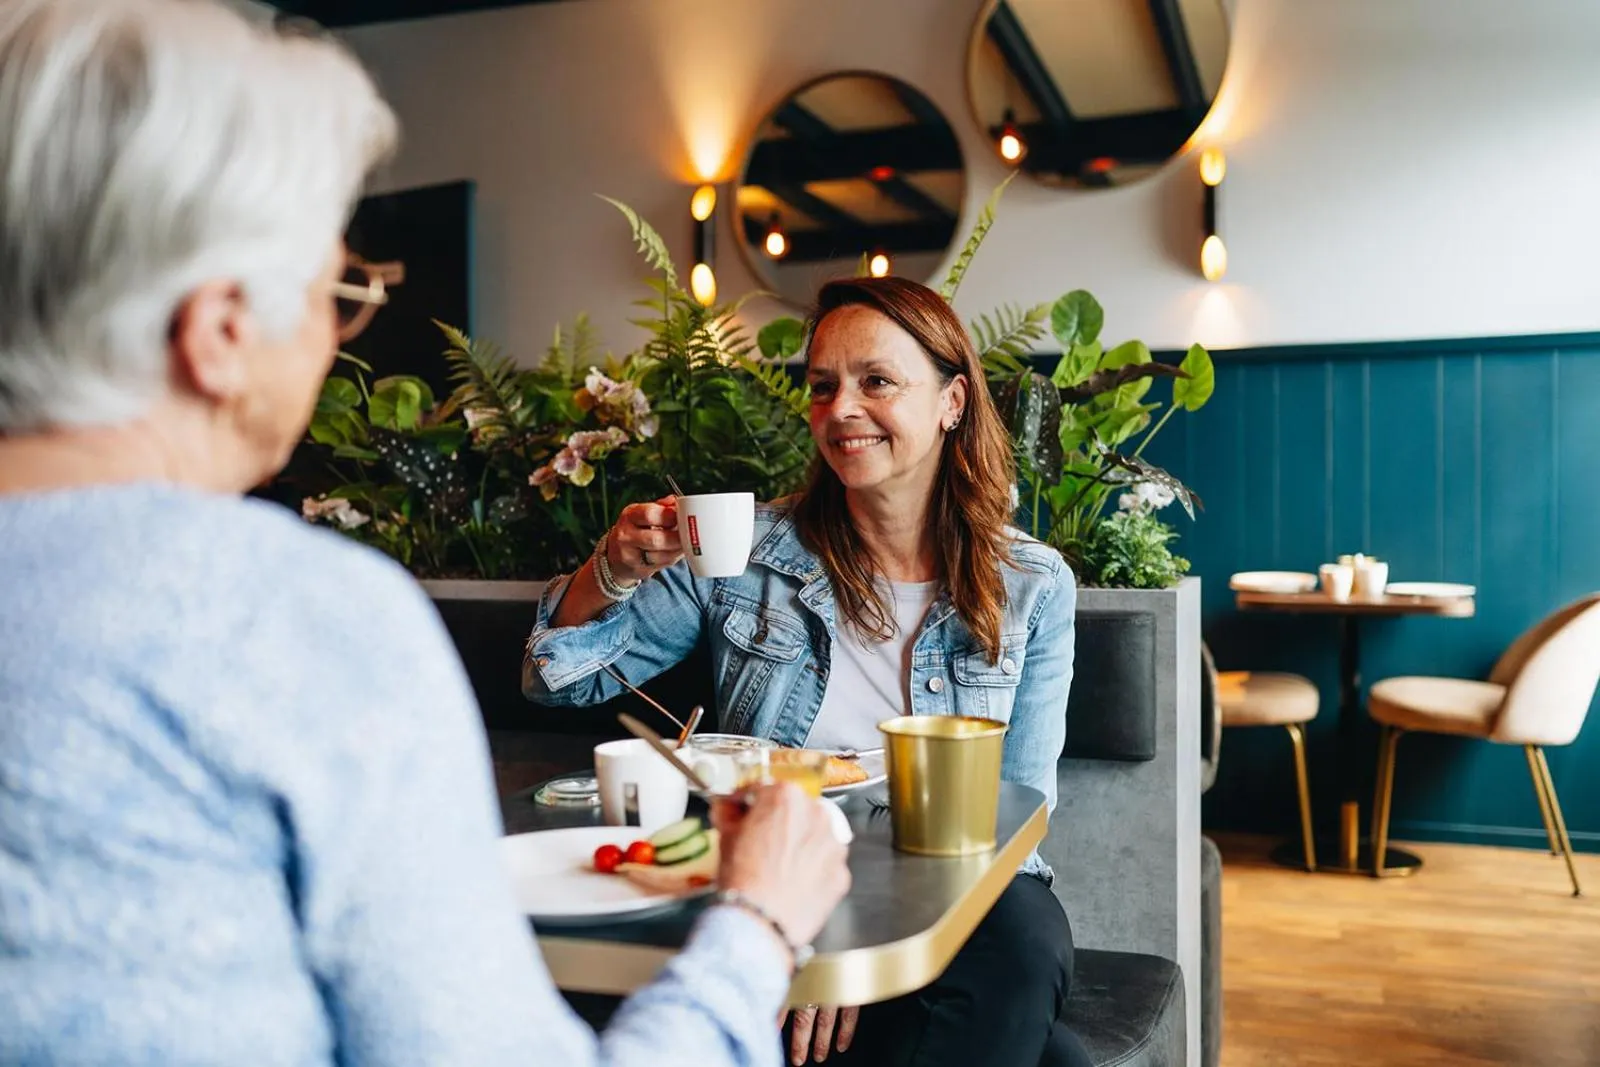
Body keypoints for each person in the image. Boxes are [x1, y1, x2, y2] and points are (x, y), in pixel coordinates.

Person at [0, 2, 849, 1065]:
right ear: (218, 333)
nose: (334, 334)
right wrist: (762, 921)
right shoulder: (293, 619)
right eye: (337, 294)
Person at [524, 277, 1092, 1067]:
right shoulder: (741, 553)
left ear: (952, 401)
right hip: (771, 869)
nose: (841, 410)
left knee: (1026, 943)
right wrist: (608, 573)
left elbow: (1012, 822)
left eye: (877, 381)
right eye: (822, 387)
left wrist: (862, 933)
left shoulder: (1032, 585)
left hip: (951, 886)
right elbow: (560, 680)